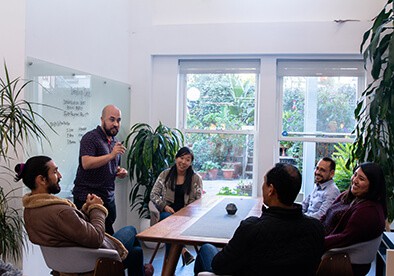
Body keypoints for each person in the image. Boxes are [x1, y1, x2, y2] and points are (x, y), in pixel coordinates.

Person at [17, 155, 149, 276]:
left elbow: (72, 225)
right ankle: (143, 270)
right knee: (131, 231)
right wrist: (97, 208)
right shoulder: (59, 212)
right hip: (92, 265)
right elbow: (96, 238)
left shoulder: (31, 210)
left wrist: (86, 209)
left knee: (136, 253)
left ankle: (142, 270)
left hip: (65, 264)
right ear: (41, 180)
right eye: (55, 172)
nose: (60, 175)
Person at [194, 163, 325, 276]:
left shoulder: (252, 228)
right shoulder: (316, 228)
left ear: (271, 190)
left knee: (207, 248)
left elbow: (219, 266)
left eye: (264, 182)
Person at [321, 162, 387, 276]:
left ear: (373, 185)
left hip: (342, 261)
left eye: (361, 178)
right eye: (355, 174)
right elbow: (326, 215)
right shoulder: (347, 195)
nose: (354, 180)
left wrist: (314, 241)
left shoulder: (369, 211)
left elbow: (344, 238)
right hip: (323, 241)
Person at [72, 104, 128, 235]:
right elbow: (86, 163)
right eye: (112, 119)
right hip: (89, 197)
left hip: (108, 197)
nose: (116, 124)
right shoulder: (90, 138)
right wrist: (111, 155)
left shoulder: (115, 141)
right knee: (100, 240)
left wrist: (119, 171)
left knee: (109, 238)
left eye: (118, 120)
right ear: (102, 120)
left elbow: (109, 164)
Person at [150, 146, 203, 266]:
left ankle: (168, 267)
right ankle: (183, 250)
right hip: (168, 214)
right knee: (167, 221)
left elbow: (198, 201)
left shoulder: (195, 179)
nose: (183, 162)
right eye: (181, 157)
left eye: (187, 159)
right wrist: (164, 206)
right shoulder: (165, 175)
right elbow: (153, 194)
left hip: (187, 217)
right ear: (176, 158)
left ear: (191, 163)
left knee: (170, 228)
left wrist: (185, 211)